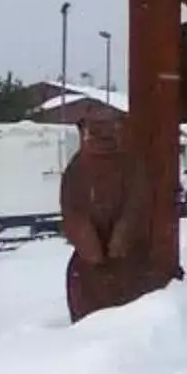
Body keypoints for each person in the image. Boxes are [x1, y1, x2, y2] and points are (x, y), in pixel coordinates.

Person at [58, 115, 148, 320]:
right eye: (95, 131)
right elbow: (72, 211)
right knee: (90, 317)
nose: (103, 137)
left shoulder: (130, 165)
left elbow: (136, 204)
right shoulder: (76, 169)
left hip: (128, 258)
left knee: (129, 313)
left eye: (109, 130)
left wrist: (122, 237)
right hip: (89, 264)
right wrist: (90, 247)